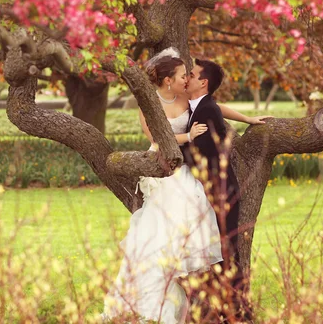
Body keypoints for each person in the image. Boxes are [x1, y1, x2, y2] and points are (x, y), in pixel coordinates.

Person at [102, 48, 268, 323]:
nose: (186, 78)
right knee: (163, 237)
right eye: (182, 74)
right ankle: (150, 302)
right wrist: (188, 136)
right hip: (166, 171)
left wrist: (248, 119)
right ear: (169, 80)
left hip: (188, 172)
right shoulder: (149, 106)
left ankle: (205, 300)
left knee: (195, 230)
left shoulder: (183, 97)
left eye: (189, 74)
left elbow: (212, 106)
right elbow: (157, 142)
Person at [182, 58, 256, 322]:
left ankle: (239, 312)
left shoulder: (206, 111)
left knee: (226, 253)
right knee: (213, 253)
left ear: (203, 82)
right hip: (210, 191)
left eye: (191, 74)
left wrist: (175, 147)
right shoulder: (199, 106)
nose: (186, 77)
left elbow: (201, 155)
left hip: (220, 192)